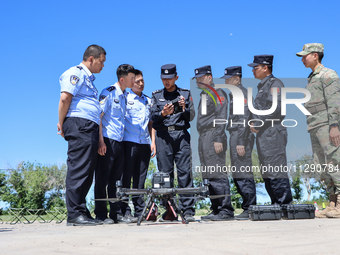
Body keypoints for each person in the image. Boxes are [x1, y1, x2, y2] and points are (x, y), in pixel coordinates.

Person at [57, 44, 106, 226]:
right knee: (79, 169)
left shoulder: (89, 80)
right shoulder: (76, 72)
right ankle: (74, 215)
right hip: (79, 124)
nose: (103, 66)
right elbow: (65, 98)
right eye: (101, 62)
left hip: (88, 126)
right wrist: (61, 123)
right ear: (91, 59)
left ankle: (81, 211)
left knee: (87, 170)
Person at [296, 43, 340, 218]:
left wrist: (334, 126)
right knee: (321, 165)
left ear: (315, 55)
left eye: (305, 55)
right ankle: (332, 203)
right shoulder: (312, 77)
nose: (302, 59)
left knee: (334, 162)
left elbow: (334, 102)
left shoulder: (328, 74)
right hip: (315, 125)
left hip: (327, 125)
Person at [151, 64, 196, 222]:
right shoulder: (156, 95)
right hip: (164, 136)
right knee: (165, 174)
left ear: (176, 77)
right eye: (164, 79)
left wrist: (184, 110)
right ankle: (170, 210)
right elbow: (153, 120)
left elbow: (191, 117)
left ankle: (188, 209)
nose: (166, 82)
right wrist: (163, 113)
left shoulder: (185, 93)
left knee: (185, 173)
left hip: (181, 135)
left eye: (169, 79)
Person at [94, 64, 137, 224]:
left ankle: (116, 213)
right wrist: (100, 141)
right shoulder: (109, 92)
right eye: (131, 78)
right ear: (122, 79)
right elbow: (98, 116)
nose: (134, 81)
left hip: (119, 142)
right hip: (107, 141)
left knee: (116, 181)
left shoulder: (125, 95)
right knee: (102, 179)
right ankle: (100, 214)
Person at [248, 55, 292, 205]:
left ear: (265, 68)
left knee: (276, 170)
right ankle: (276, 204)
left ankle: (284, 205)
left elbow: (277, 108)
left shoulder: (275, 84)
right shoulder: (263, 85)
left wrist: (258, 123)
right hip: (265, 134)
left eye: (256, 68)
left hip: (273, 132)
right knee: (266, 171)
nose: (253, 71)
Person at [195, 65, 234, 221]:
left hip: (213, 135)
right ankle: (216, 208)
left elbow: (221, 115)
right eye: (196, 79)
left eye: (201, 78)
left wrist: (218, 137)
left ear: (209, 77)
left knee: (217, 172)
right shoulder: (205, 94)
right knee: (208, 174)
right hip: (204, 136)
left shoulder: (218, 92)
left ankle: (226, 210)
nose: (198, 81)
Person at [120, 69, 156, 219]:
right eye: (137, 81)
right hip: (129, 142)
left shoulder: (148, 101)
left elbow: (151, 123)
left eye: (142, 81)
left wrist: (153, 142)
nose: (141, 84)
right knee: (126, 177)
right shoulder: (124, 97)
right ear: (131, 83)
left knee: (140, 178)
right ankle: (124, 210)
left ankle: (140, 209)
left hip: (144, 143)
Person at [221, 66, 256, 220]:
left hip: (241, 136)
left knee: (243, 171)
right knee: (238, 172)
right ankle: (248, 207)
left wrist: (241, 141)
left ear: (236, 79)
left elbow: (244, 117)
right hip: (236, 134)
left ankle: (250, 208)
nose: (226, 82)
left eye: (228, 79)